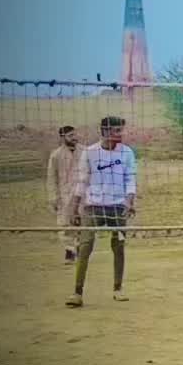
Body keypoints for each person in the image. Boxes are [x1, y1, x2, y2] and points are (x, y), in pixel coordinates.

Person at [66, 116, 137, 307]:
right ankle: (77, 293)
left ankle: (118, 289)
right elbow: (81, 182)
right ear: (105, 132)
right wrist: (75, 208)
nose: (121, 134)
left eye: (121, 130)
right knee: (85, 247)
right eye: (116, 130)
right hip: (93, 206)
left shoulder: (127, 152)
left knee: (119, 247)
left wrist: (129, 201)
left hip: (118, 206)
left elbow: (130, 180)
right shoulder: (90, 153)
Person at [47, 125, 80, 263]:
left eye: (75, 134)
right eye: (70, 135)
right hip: (64, 195)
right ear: (63, 137)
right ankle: (69, 251)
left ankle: (80, 249)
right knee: (65, 224)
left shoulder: (85, 151)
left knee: (82, 223)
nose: (74, 138)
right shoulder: (56, 155)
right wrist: (53, 197)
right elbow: (51, 177)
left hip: (82, 194)